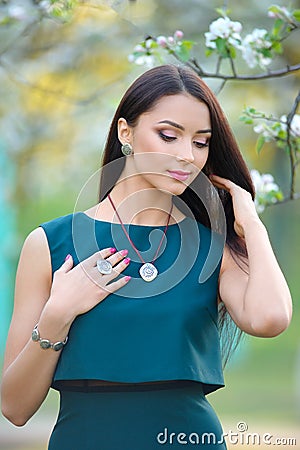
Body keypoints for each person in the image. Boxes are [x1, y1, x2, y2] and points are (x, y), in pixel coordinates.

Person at [1, 64, 292, 449]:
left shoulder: (211, 249)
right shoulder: (49, 244)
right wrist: (58, 315)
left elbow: (270, 319)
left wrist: (252, 226)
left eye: (201, 142)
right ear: (126, 132)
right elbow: (15, 408)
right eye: (168, 135)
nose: (187, 155)